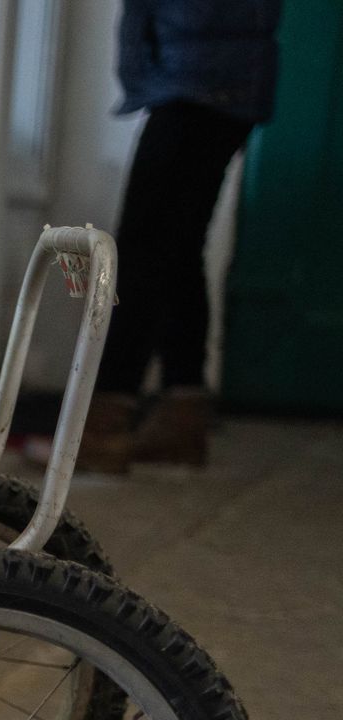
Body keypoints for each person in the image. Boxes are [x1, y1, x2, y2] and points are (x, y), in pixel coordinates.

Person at [79, 0, 284, 473]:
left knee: (141, 252)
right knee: (178, 248)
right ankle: (182, 420)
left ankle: (104, 426)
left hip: (194, 82)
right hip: (225, 83)